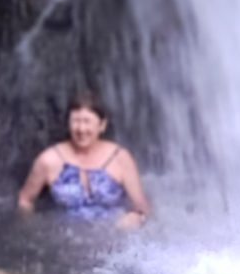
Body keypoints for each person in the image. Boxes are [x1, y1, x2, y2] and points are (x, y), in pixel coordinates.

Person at [16, 95, 150, 226]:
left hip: (113, 234)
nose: (81, 129)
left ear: (102, 125)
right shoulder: (49, 160)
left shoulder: (120, 158)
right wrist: (31, 228)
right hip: (65, 235)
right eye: (76, 121)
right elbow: (25, 200)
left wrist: (137, 218)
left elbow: (142, 208)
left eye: (87, 121)